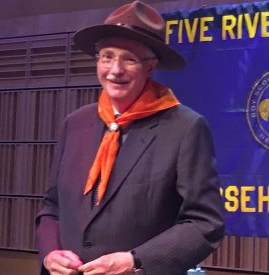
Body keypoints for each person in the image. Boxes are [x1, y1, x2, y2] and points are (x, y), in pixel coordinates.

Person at [35, 1, 225, 275]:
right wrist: (50, 253)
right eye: (107, 56)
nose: (115, 70)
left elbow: (205, 223)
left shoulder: (185, 128)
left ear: (150, 67)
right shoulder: (75, 123)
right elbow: (52, 207)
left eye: (129, 59)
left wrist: (135, 261)